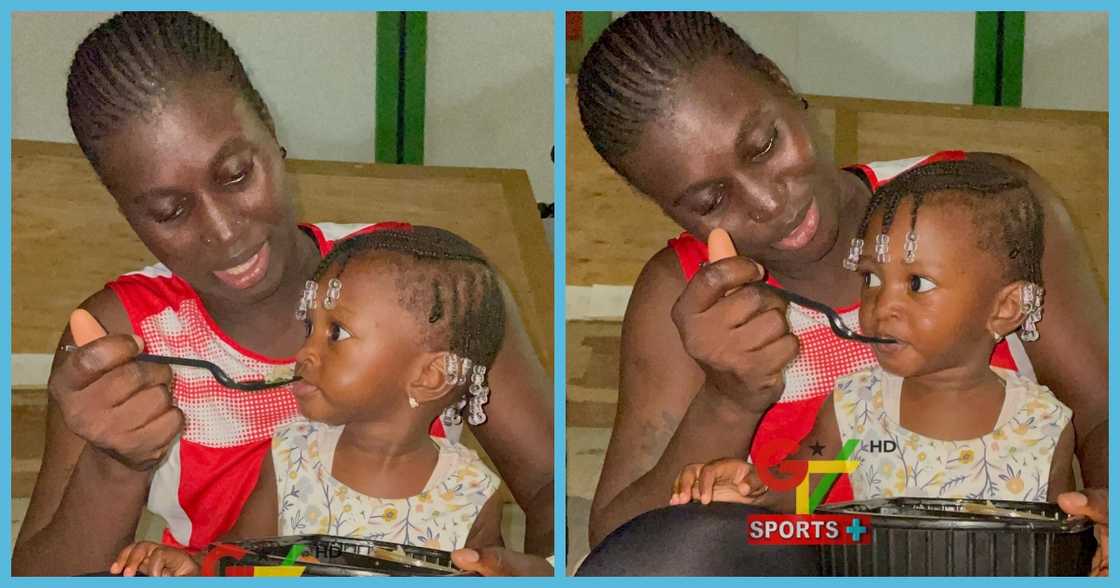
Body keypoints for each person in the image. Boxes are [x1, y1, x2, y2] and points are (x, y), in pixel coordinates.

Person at [13, 12, 552, 576]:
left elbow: (545, 483)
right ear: (123, 208)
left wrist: (540, 566)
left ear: (269, 128)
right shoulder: (122, 340)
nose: (224, 232)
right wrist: (114, 464)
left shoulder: (428, 281)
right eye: (169, 211)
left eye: (238, 175)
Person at [576, 11, 1106, 574]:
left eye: (763, 145)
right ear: (667, 208)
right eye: (710, 202)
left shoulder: (985, 211)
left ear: (781, 83)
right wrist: (728, 401)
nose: (768, 202)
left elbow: (1100, 411)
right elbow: (628, 551)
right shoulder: (683, 298)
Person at [673, 160, 1076, 512]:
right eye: (871, 277)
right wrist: (750, 487)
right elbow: (798, 487)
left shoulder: (1043, 424)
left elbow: (1058, 544)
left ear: (1004, 309)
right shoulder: (856, 407)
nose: (883, 306)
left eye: (917, 284)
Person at [110, 228, 509, 576]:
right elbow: (236, 561)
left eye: (335, 333)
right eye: (310, 327)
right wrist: (195, 568)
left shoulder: (471, 493)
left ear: (429, 376)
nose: (305, 353)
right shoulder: (292, 456)